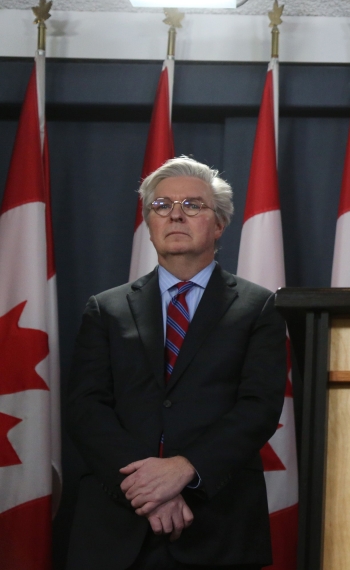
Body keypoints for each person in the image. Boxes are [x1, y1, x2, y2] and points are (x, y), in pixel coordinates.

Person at [66, 156, 287, 570]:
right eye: (162, 205)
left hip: (218, 525)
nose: (176, 215)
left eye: (192, 205)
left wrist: (186, 469)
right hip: (116, 525)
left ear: (219, 224)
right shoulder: (106, 308)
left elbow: (258, 408)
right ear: (149, 224)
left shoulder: (259, 307)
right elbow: (85, 408)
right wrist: (147, 490)